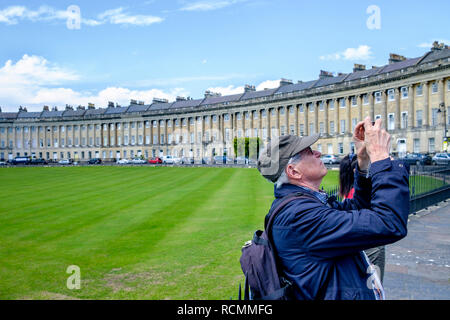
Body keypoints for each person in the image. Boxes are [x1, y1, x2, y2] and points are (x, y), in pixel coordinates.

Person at [257, 117, 409, 300]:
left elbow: (357, 208)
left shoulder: (307, 203)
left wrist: (363, 161)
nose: (318, 153)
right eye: (309, 152)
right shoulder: (299, 216)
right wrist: (380, 158)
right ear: (294, 171)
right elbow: (388, 223)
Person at [339, 153, 386, 283]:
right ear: (355, 171)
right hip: (371, 243)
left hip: (356, 242)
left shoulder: (348, 191)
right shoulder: (359, 193)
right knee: (374, 284)